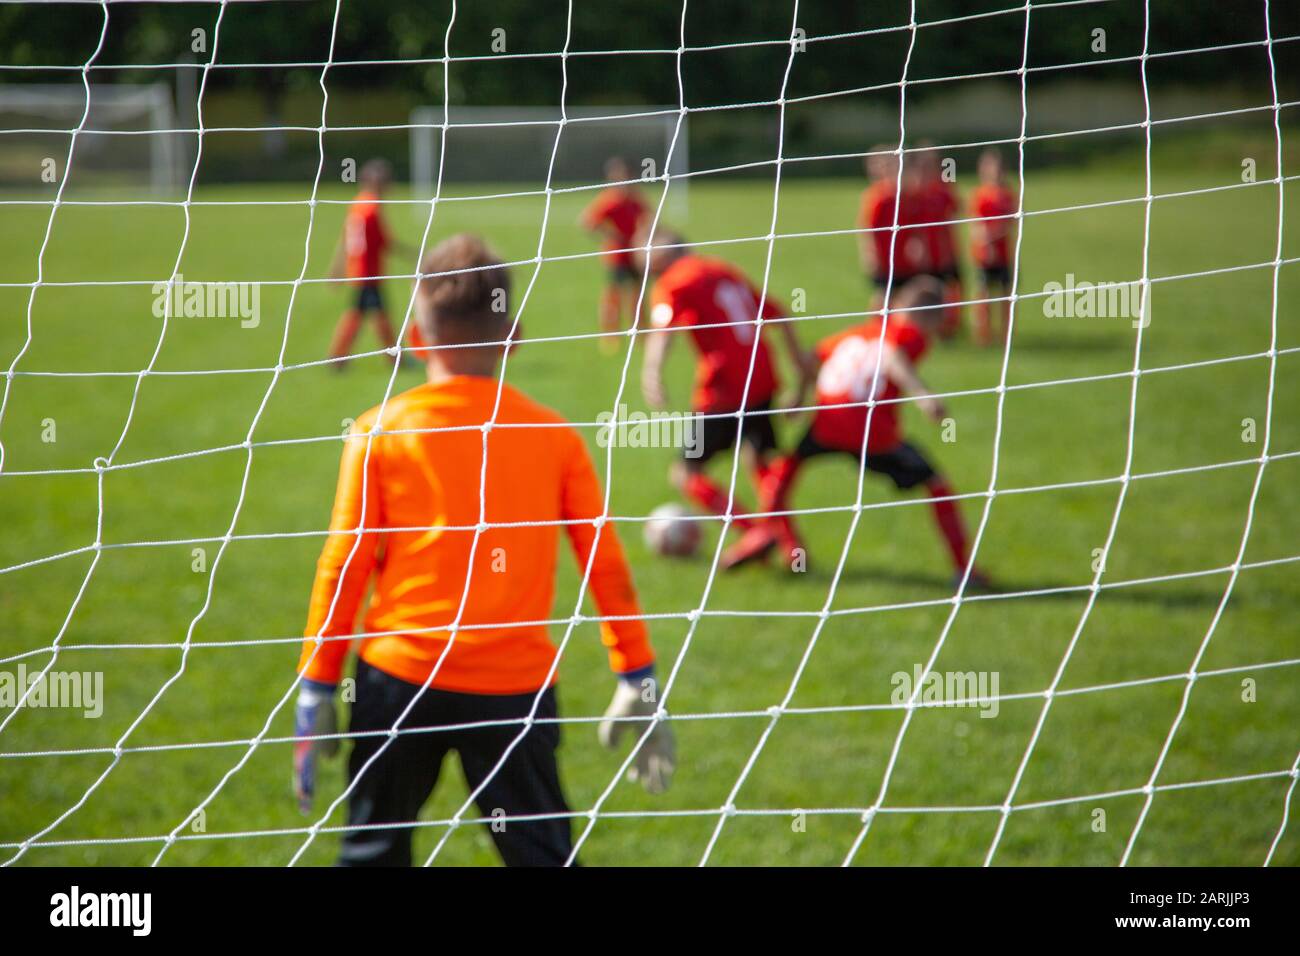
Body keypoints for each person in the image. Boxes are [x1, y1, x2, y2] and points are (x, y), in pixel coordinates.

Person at [294, 233, 676, 867]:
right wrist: (637, 673)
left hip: (399, 681)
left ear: (417, 341)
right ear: (516, 334)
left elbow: (345, 562)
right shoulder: (554, 435)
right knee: (542, 856)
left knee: (372, 853)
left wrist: (317, 683)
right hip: (513, 690)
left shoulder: (377, 431)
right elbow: (603, 560)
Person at [722, 277, 986, 587]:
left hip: (828, 420)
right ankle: (963, 568)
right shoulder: (911, 333)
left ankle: (775, 538)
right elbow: (891, 357)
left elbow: (810, 360)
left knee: (784, 472)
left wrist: (798, 396)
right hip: (871, 431)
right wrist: (922, 395)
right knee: (936, 484)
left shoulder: (857, 333)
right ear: (931, 316)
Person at [638, 226, 816, 545]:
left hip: (723, 388)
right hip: (761, 376)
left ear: (658, 259)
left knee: (686, 473)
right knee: (759, 461)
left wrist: (652, 371)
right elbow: (781, 315)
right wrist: (800, 373)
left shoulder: (673, 282)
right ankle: (792, 548)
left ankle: (755, 533)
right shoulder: (724, 271)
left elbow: (663, 329)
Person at [326, 159, 413, 369]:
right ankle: (392, 357)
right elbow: (385, 242)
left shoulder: (358, 203)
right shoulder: (372, 209)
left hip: (359, 270)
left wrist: (337, 268)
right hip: (368, 272)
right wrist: (413, 254)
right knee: (374, 315)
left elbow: (346, 239)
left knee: (360, 313)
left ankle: (340, 358)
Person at [580, 157, 650, 353]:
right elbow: (588, 221)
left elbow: (647, 218)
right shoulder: (609, 199)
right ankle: (610, 336)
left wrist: (643, 237)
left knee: (638, 294)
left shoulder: (636, 199)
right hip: (617, 256)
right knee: (613, 296)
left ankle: (640, 332)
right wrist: (611, 236)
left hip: (636, 255)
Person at [857, 145, 929, 314]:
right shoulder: (878, 197)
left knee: (905, 296)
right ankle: (877, 327)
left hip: (904, 257)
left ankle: (898, 328)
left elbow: (916, 227)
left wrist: (920, 246)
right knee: (884, 295)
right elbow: (867, 228)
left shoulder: (908, 196)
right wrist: (870, 254)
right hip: (885, 256)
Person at [968, 148, 1018, 346]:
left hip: (1005, 254)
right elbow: (975, 224)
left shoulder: (1008, 194)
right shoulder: (979, 194)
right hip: (984, 254)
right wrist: (985, 242)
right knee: (983, 293)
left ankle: (1006, 333)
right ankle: (983, 334)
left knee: (1007, 294)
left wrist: (996, 234)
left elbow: (1012, 221)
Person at [914, 144, 964, 338]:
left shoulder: (944, 190)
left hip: (945, 250)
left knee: (951, 289)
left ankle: (948, 326)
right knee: (925, 290)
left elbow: (956, 212)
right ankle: (925, 326)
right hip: (925, 253)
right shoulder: (915, 193)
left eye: (933, 163)